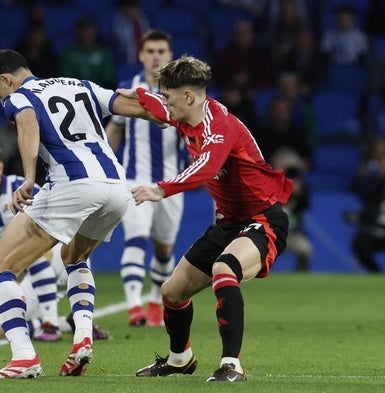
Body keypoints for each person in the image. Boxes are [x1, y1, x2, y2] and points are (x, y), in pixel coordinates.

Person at [0, 49, 157, 379]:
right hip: (116, 186)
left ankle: (24, 357)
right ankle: (82, 337)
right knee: (74, 257)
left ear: (5, 79)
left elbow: (28, 120)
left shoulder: (19, 95)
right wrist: (170, 111)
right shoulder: (80, 84)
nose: (0, 99)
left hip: (73, 184)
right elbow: (133, 107)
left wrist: (29, 178)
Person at [117, 55, 292, 381]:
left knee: (224, 269)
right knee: (172, 292)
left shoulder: (218, 125)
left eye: (170, 97)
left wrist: (162, 189)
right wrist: (105, 95)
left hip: (263, 218)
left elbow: (208, 168)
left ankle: (231, 365)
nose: (166, 104)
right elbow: (148, 101)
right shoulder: (184, 114)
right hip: (227, 223)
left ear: (188, 97)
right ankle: (180, 358)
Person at [105, 29, 186, 327]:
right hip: (134, 179)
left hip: (171, 185)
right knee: (136, 237)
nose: (155, 56)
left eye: (161, 51)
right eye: (150, 51)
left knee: (164, 249)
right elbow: (114, 131)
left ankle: (154, 300)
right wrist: (102, 166)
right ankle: (134, 307)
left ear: (170, 55)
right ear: (140, 55)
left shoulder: (181, 95)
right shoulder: (128, 90)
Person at [0, 141, 61, 341]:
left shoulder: (20, 188)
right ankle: (64, 323)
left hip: (59, 260)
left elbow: (52, 224)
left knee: (32, 249)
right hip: (32, 275)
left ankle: (51, 323)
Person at [270, 148, 312, 272]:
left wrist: (297, 193)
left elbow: (305, 205)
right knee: (260, 253)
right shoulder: (270, 184)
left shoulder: (301, 187)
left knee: (305, 248)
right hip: (270, 234)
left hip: (291, 234)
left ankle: (300, 276)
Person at [349, 137, 385, 273]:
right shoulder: (370, 176)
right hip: (374, 226)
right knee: (359, 244)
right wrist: (381, 179)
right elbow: (363, 194)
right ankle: (376, 274)